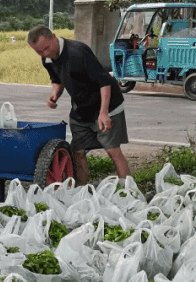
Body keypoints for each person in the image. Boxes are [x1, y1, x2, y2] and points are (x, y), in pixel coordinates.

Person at [27, 24, 131, 184]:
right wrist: (55, 94)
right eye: (38, 51)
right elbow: (57, 80)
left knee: (112, 150)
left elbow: (104, 82)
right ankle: (81, 192)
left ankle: (128, 192)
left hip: (107, 105)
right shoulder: (46, 59)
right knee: (78, 152)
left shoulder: (78, 52)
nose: (43, 53)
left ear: (53, 37)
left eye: (46, 48)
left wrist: (104, 113)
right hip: (81, 108)